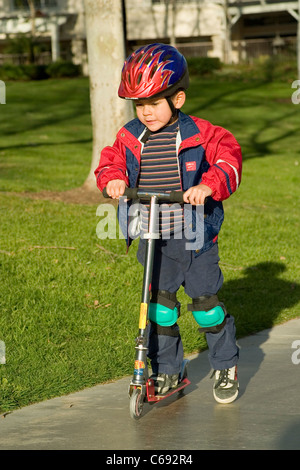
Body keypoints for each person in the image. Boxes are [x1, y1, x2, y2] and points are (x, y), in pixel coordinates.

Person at [94, 43, 242, 404]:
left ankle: (225, 364)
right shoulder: (130, 136)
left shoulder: (202, 133)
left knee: (206, 307)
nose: (145, 113)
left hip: (194, 236)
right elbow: (110, 162)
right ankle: (169, 370)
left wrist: (209, 185)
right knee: (160, 308)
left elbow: (229, 159)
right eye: (139, 105)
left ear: (177, 99)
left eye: (154, 103)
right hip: (151, 234)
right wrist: (112, 179)